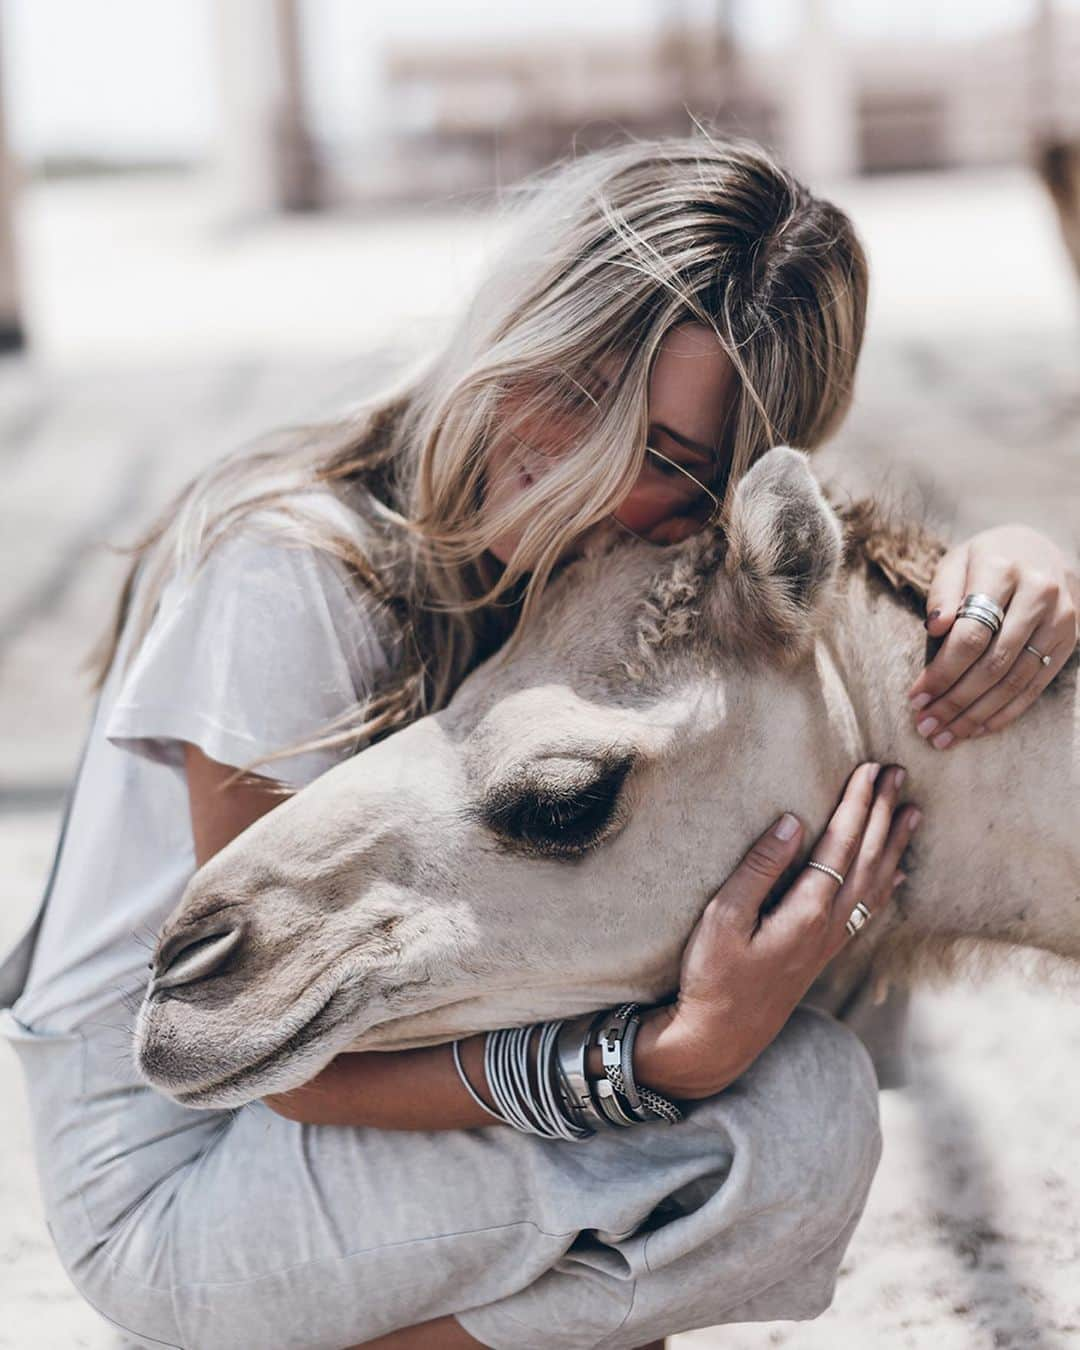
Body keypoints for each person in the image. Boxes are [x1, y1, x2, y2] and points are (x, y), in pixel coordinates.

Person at [2, 135, 1077, 1350]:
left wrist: (1010, 574)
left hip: (321, 1120)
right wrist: (659, 1061)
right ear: (518, 326)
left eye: (664, 454)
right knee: (793, 1119)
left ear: (728, 487)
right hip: (187, 1159)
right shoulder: (293, 571)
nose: (574, 463)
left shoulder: (602, 586)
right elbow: (280, 1058)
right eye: (569, 382)